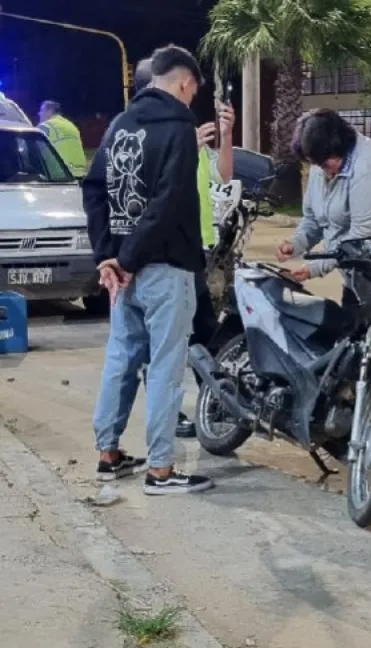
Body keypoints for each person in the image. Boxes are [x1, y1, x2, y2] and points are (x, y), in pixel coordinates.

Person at [82, 44, 214, 496]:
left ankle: (108, 454)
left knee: (121, 359)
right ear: (183, 83)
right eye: (193, 91)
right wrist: (128, 259)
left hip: (123, 273)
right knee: (164, 367)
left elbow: (94, 189)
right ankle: (160, 470)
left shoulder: (119, 125)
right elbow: (168, 203)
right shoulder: (180, 127)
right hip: (164, 267)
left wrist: (108, 256)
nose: (191, 100)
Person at [132, 58, 235, 439]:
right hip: (165, 256)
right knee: (166, 341)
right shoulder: (144, 131)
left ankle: (215, 404)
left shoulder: (183, 128)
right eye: (182, 86)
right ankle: (167, 416)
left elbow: (222, 178)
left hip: (199, 251)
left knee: (205, 333)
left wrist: (226, 136)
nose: (188, 93)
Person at [276, 108, 371, 307]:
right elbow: (314, 219)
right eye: (316, 164)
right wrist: (295, 243)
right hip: (360, 262)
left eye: (325, 163)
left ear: (340, 145)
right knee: (352, 319)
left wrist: (313, 268)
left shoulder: (370, 167)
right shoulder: (321, 163)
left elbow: (361, 235)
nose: (323, 171)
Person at [38, 101, 88, 178]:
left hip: (61, 174)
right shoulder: (71, 125)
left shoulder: (46, 126)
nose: (39, 114)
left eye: (42, 111)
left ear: (49, 111)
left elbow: (34, 151)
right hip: (81, 173)